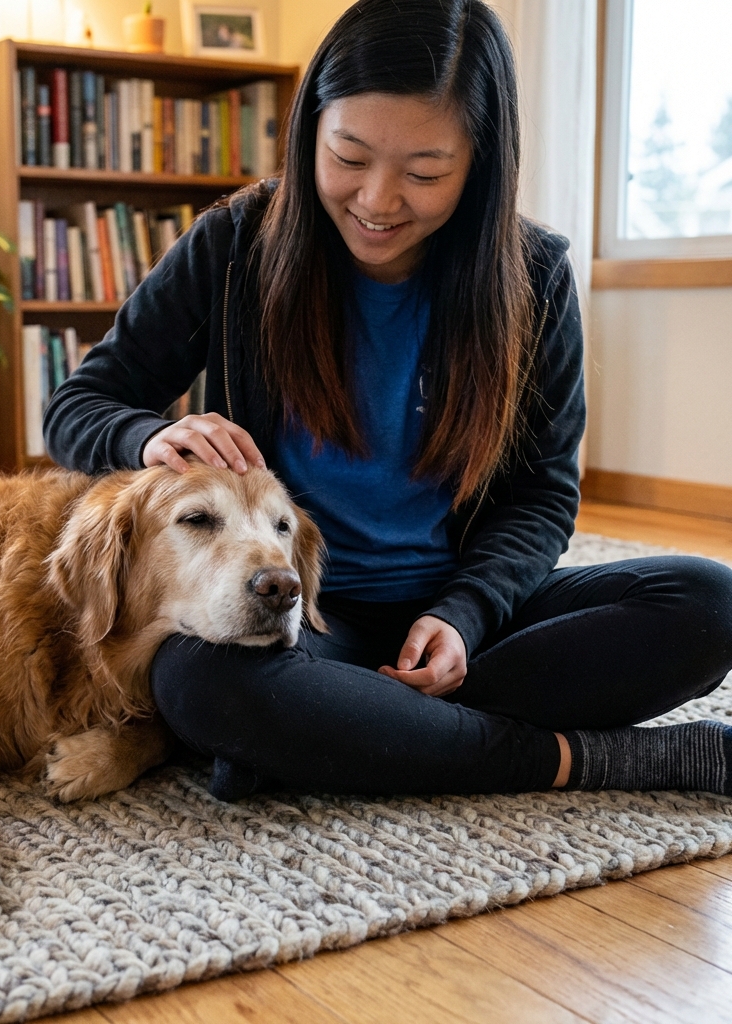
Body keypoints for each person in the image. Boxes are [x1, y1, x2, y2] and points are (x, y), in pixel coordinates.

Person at [46, 0, 732, 802]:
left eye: (425, 173)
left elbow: (543, 495)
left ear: (480, 162)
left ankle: (342, 736)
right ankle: (572, 760)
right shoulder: (235, 244)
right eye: (349, 155)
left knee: (709, 604)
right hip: (298, 622)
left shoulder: (534, 275)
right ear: (312, 131)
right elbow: (81, 403)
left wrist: (465, 614)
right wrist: (145, 437)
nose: (377, 199)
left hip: (460, 619)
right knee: (199, 681)